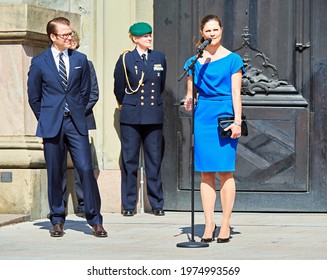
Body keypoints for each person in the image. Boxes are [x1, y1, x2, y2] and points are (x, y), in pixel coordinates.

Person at [27, 17, 107, 238]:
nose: (69, 37)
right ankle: (57, 219)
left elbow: (86, 90)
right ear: (53, 37)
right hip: (52, 124)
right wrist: (46, 117)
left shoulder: (80, 59)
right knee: (55, 172)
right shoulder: (39, 62)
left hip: (75, 123)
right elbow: (34, 96)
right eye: (65, 35)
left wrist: (77, 111)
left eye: (70, 33)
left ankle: (95, 220)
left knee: (85, 169)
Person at [184, 14, 244, 243]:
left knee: (225, 170)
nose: (212, 34)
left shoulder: (233, 59)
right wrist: (189, 98)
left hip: (225, 114)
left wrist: (237, 121)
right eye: (208, 31)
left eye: (215, 30)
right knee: (206, 172)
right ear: (202, 33)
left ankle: (226, 223)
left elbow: (236, 93)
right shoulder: (194, 61)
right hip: (203, 116)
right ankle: (209, 223)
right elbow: (191, 89)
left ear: (221, 30)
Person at [113, 22, 167, 217]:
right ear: (135, 38)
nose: (149, 38)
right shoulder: (126, 59)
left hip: (153, 116)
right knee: (130, 162)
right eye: (144, 36)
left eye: (150, 35)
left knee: (154, 161)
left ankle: (157, 203)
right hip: (131, 116)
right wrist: (128, 105)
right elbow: (119, 88)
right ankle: (129, 205)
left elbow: (160, 86)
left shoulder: (158, 57)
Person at [61, 30, 100, 218]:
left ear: (76, 44)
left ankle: (84, 204)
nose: (70, 43)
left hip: (81, 120)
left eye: (73, 41)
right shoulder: (53, 63)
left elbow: (93, 93)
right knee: (58, 164)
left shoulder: (86, 63)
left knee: (82, 165)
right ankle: (59, 205)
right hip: (59, 121)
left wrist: (77, 112)